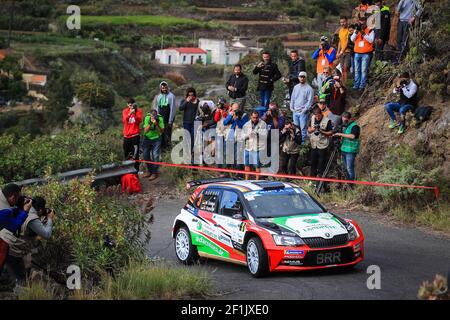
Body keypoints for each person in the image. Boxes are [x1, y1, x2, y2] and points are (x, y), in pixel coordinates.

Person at [4, 197, 55, 286]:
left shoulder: (24, 209)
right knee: (21, 280)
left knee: (16, 276)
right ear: (39, 209)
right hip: (13, 251)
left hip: (8, 245)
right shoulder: (32, 218)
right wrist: (50, 219)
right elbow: (47, 235)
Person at [307, 107, 333, 180]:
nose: (317, 117)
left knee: (321, 164)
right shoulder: (312, 118)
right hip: (313, 145)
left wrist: (322, 131)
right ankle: (312, 180)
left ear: (321, 114)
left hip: (322, 145)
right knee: (313, 163)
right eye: (316, 116)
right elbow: (308, 129)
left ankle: (321, 180)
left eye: (319, 115)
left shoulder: (327, 120)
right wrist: (313, 129)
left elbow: (330, 132)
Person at [333, 112, 361, 181]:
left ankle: (351, 183)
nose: (344, 119)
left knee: (349, 168)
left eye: (346, 118)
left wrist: (340, 134)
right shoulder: (345, 126)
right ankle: (347, 182)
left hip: (351, 151)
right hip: (344, 149)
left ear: (349, 118)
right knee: (345, 168)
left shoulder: (355, 126)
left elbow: (353, 136)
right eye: (343, 117)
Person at [351, 16, 375, 91]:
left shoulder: (370, 30)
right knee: (357, 70)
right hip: (357, 53)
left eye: (363, 23)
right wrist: (356, 32)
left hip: (366, 53)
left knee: (363, 70)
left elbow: (371, 40)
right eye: (360, 23)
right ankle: (356, 85)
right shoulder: (357, 30)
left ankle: (362, 86)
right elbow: (352, 39)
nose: (361, 25)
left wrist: (363, 33)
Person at [289, 71, 314, 142]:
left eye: (303, 77)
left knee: (303, 129)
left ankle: (303, 144)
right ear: (298, 77)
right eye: (301, 77)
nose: (302, 78)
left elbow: (310, 101)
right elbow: (293, 97)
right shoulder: (296, 87)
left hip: (303, 112)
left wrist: (305, 110)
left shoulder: (309, 89)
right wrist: (291, 107)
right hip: (295, 111)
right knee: (296, 128)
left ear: (306, 78)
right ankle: (297, 142)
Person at [223, 103, 249, 170]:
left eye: (236, 110)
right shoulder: (231, 113)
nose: (235, 111)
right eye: (234, 110)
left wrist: (236, 119)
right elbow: (225, 123)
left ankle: (238, 172)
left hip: (239, 138)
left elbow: (243, 126)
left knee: (237, 156)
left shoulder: (244, 115)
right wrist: (230, 115)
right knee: (227, 154)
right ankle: (227, 171)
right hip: (230, 136)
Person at [242, 111, 267, 180]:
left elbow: (265, 135)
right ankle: (246, 180)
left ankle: (257, 180)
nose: (255, 119)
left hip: (258, 147)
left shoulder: (263, 124)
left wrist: (257, 133)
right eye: (253, 117)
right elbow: (242, 136)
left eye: (256, 117)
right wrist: (248, 135)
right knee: (246, 164)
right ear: (250, 117)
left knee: (257, 165)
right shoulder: (246, 124)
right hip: (248, 147)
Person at [152, 81, 176, 149]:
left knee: (167, 133)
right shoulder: (159, 96)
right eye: (163, 88)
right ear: (161, 88)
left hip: (168, 117)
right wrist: (156, 117)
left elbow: (172, 109)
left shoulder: (171, 96)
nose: (164, 89)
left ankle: (168, 148)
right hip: (160, 118)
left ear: (167, 87)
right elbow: (157, 108)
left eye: (165, 88)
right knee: (161, 132)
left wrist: (170, 121)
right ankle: (162, 148)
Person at [142, 109, 164, 181]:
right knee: (145, 155)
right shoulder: (147, 117)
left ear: (156, 115)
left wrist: (156, 124)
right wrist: (150, 123)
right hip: (147, 138)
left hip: (157, 138)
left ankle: (154, 173)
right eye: (152, 116)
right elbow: (145, 130)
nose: (153, 118)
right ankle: (149, 171)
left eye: (154, 116)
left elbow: (161, 131)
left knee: (155, 155)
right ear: (150, 115)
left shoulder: (160, 118)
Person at [122, 98, 143, 171]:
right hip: (126, 136)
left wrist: (134, 114)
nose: (130, 104)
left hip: (135, 136)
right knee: (126, 154)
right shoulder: (125, 111)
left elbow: (139, 121)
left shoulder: (139, 111)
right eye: (128, 103)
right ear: (127, 104)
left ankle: (136, 172)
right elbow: (125, 120)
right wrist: (130, 113)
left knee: (135, 155)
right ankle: (127, 171)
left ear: (134, 103)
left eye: (131, 103)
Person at [179, 87, 199, 157]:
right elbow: (180, 108)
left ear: (194, 94)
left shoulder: (197, 101)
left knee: (194, 137)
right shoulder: (184, 100)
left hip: (195, 122)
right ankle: (186, 152)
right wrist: (186, 101)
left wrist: (196, 102)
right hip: (186, 122)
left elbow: (199, 111)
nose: (191, 96)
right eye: (189, 95)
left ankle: (192, 152)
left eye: (192, 95)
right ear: (187, 95)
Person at [336, 16, 352, 83]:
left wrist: (341, 52)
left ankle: (346, 83)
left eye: (344, 22)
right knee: (342, 69)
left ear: (347, 21)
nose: (342, 23)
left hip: (348, 52)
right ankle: (343, 83)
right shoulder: (340, 30)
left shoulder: (349, 30)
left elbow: (347, 42)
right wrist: (338, 52)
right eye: (341, 22)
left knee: (345, 68)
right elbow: (340, 41)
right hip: (342, 53)